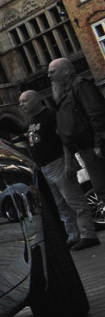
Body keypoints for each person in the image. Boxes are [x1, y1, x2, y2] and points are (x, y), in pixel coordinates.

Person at [20, 89, 97, 250]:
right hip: (44, 166)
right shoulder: (31, 120)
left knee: (74, 200)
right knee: (61, 204)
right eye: (20, 102)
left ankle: (88, 235)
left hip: (58, 162)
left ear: (36, 100)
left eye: (24, 101)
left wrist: (68, 161)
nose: (21, 105)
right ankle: (74, 235)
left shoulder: (50, 115)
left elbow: (65, 139)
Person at [50, 57, 105, 246]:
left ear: (66, 70)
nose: (50, 75)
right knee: (101, 189)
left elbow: (97, 114)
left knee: (102, 188)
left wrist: (99, 143)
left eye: (53, 71)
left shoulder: (80, 85)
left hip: (93, 147)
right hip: (84, 149)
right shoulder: (66, 92)